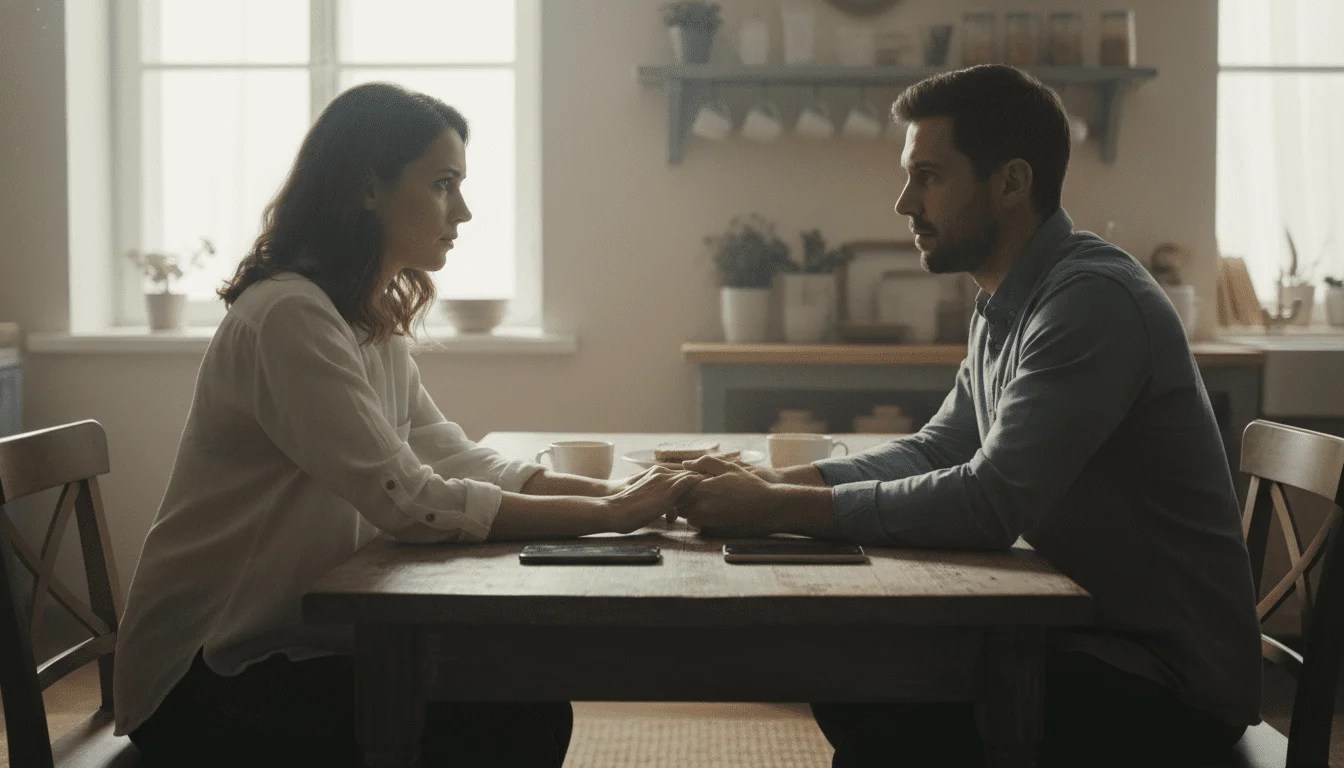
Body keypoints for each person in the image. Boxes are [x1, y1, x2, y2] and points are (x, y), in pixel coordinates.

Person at [677, 65, 1261, 767]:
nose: (904, 203)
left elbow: (990, 503)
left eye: (928, 177)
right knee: (849, 675)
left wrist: (776, 507)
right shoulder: (1007, 299)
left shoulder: (1090, 302)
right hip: (1084, 637)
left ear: (1011, 183)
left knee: (882, 745)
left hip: (1166, 682)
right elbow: (937, 449)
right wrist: (774, 485)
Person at [113, 82, 700, 767]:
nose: (464, 211)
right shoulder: (290, 317)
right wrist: (612, 514)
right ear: (369, 188)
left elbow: (454, 456)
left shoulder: (363, 318)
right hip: (204, 678)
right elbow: (412, 502)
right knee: (516, 719)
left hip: (283, 644)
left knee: (524, 701)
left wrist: (617, 494)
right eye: (443, 184)